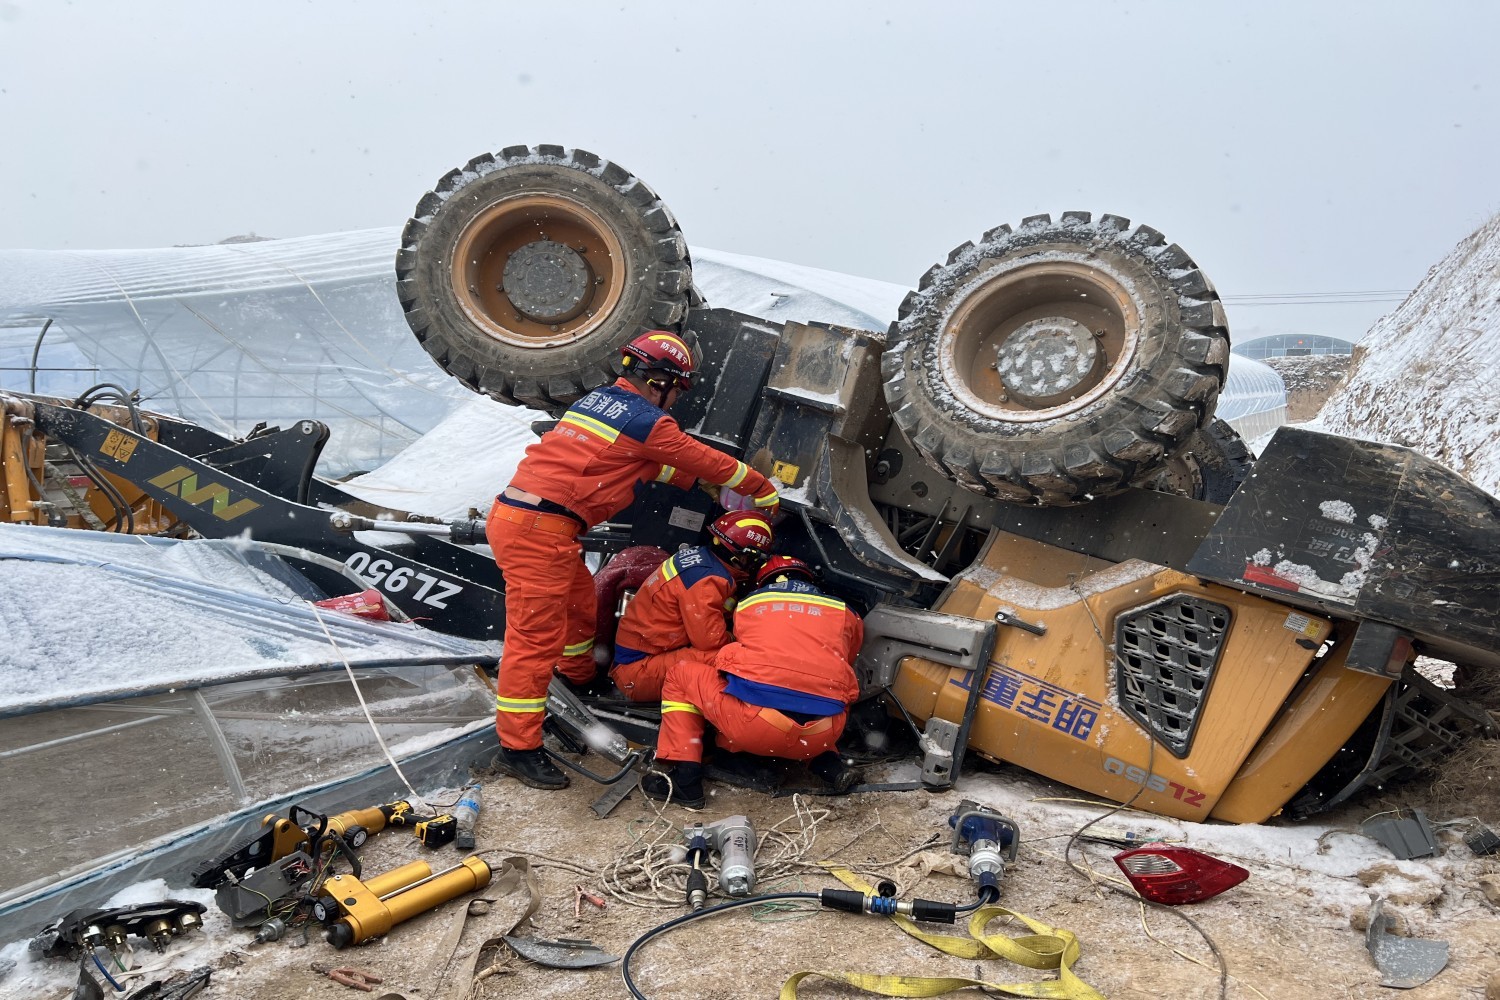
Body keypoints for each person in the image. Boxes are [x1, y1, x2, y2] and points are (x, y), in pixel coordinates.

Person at [486, 330, 781, 790]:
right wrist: (760, 488)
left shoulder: (601, 402)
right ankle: (518, 748)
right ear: (660, 380)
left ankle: (579, 679)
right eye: (678, 389)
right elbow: (706, 460)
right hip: (537, 532)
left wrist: (692, 484)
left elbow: (640, 462)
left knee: (581, 607)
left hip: (536, 523)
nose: (677, 399)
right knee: (533, 640)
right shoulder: (648, 423)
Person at [643, 555, 863, 809]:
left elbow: (734, 659)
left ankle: (685, 780)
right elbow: (847, 658)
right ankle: (830, 766)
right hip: (822, 734)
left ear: (764, 581)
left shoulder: (751, 604)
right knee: (823, 690)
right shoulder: (846, 612)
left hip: (755, 727)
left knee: (684, 676)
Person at [610, 511, 775, 702]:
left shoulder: (701, 559)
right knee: (732, 657)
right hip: (637, 672)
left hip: (638, 660)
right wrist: (742, 638)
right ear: (743, 556)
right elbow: (710, 641)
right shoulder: (708, 580)